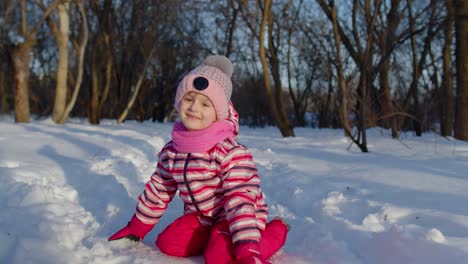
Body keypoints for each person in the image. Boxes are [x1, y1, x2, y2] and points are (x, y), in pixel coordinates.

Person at [108, 55, 289, 264]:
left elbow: (240, 201)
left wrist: (247, 249)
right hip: (201, 218)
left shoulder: (230, 152)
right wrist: (136, 228)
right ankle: (215, 238)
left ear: (218, 113)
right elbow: (159, 190)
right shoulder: (172, 150)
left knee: (219, 258)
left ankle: (275, 231)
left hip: (236, 219)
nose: (194, 108)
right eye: (188, 99)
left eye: (205, 104)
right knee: (168, 244)